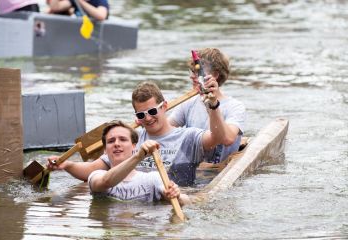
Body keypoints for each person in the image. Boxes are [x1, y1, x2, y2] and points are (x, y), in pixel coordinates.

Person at [101, 81, 227, 186]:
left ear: (164, 106)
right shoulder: (129, 140)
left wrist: (213, 106)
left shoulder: (188, 137)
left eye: (152, 111)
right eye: (141, 115)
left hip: (176, 200)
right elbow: (92, 169)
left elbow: (218, 138)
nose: (148, 118)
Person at [49, 120, 190, 204]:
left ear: (134, 145)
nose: (116, 144)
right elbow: (106, 182)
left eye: (123, 139)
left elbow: (187, 201)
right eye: (111, 141)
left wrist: (176, 195)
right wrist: (139, 156)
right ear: (105, 150)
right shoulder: (96, 176)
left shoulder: (152, 178)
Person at [168, 48, 246, 164]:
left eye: (196, 72)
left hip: (220, 172)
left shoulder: (235, 107)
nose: (191, 76)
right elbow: (165, 129)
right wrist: (150, 119)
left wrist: (212, 105)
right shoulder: (188, 102)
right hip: (193, 170)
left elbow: (227, 139)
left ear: (214, 75)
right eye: (191, 71)